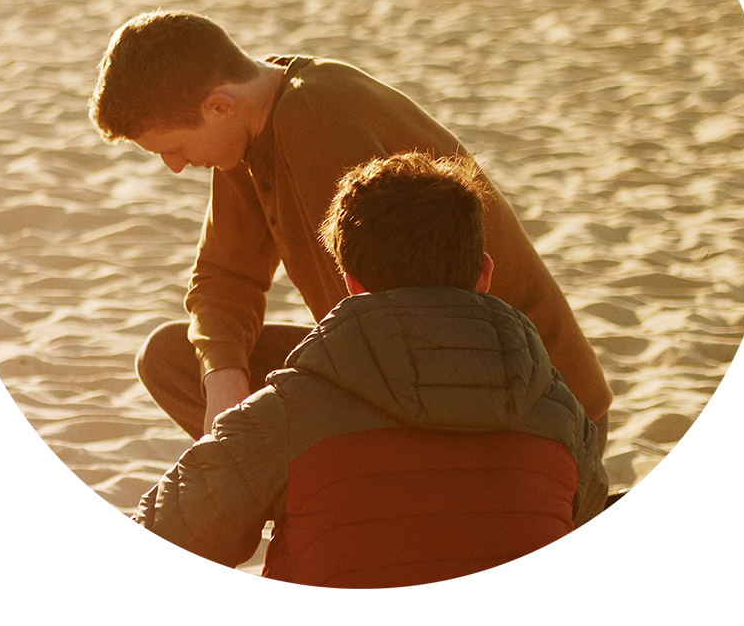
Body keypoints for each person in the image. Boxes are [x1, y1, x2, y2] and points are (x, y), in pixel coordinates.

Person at [89, 10, 612, 447]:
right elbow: (225, 278)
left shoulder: (319, 118)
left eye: (172, 148)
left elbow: (409, 315)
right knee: (174, 360)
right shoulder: (246, 134)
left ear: (219, 106)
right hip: (393, 366)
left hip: (525, 401)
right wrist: (224, 380)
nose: (174, 167)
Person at [134, 152, 608, 588]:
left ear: (351, 285)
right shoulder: (562, 417)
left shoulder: (286, 414)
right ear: (484, 275)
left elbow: (162, 543)